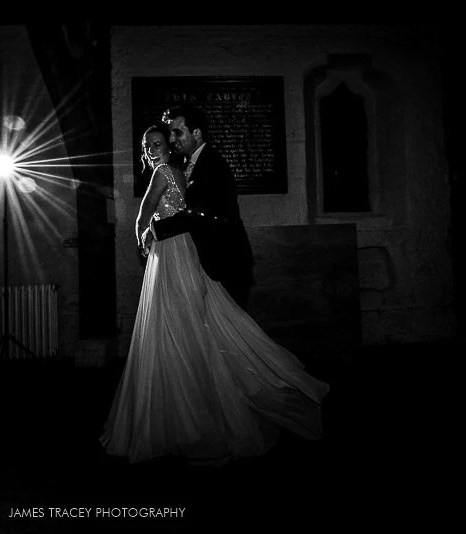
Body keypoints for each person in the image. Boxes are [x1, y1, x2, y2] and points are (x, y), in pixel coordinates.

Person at [100, 122, 329, 466]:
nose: (151, 148)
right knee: (191, 324)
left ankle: (185, 415)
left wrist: (141, 239)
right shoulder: (179, 170)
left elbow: (144, 214)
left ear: (169, 146)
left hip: (171, 254)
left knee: (172, 327)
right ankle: (201, 404)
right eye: (146, 144)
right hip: (185, 250)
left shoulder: (162, 172)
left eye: (158, 142)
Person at [149, 104, 254, 310]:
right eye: (170, 133)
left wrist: (156, 229)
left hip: (226, 263)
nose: (171, 139)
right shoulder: (191, 163)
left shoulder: (212, 164)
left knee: (230, 335)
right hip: (210, 263)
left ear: (196, 133)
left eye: (177, 132)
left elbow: (200, 214)